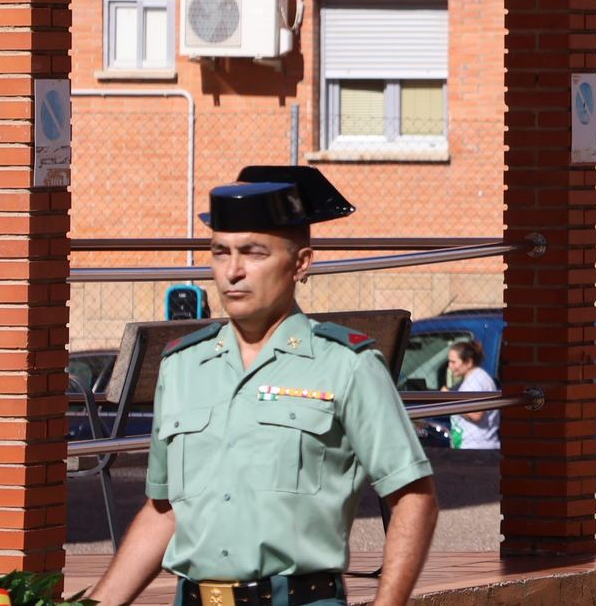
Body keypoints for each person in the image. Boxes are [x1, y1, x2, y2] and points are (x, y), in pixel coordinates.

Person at [89, 166, 438, 606]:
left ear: (301, 263)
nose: (233, 271)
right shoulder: (182, 365)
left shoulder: (345, 364)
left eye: (253, 253)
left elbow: (413, 497)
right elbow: (165, 510)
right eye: (220, 252)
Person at [446, 339, 500, 450]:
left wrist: (448, 400)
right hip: (472, 447)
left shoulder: (476, 381)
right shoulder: (473, 379)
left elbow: (476, 414)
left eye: (453, 362)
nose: (450, 366)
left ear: (468, 363)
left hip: (477, 449)